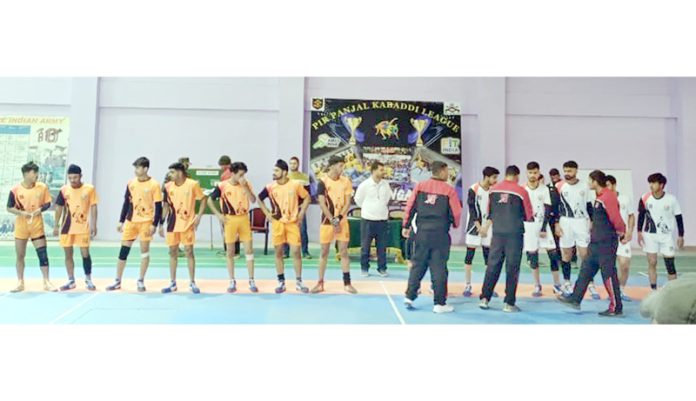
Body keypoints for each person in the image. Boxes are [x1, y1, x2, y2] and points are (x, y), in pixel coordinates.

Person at [557, 170, 626, 317]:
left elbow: (616, 218)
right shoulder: (599, 196)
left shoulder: (608, 197)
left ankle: (616, 307)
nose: (588, 183)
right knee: (585, 270)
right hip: (595, 243)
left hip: (606, 243)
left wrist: (622, 232)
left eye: (590, 180)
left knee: (608, 274)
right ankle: (575, 298)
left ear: (595, 182)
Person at [402, 161, 462, 313]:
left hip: (421, 233)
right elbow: (456, 212)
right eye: (447, 171)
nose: (448, 174)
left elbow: (410, 206)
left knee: (417, 265)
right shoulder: (449, 190)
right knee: (439, 268)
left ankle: (409, 296)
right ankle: (439, 304)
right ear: (441, 171)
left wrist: (406, 225)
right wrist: (455, 224)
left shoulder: (420, 186)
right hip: (440, 234)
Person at [479, 165, 533, 312]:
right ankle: (509, 303)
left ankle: (484, 298)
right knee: (512, 268)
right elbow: (529, 215)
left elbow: (489, 212)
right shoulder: (522, 191)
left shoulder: (493, 190)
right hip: (514, 235)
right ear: (517, 176)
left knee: (492, 266)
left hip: (497, 234)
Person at [106, 157, 163, 292]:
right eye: (135, 168)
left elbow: (158, 206)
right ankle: (117, 281)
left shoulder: (154, 184)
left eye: (138, 168)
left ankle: (141, 280)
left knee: (144, 253)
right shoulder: (131, 183)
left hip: (146, 222)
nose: (136, 170)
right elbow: (126, 203)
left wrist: (154, 224)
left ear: (145, 169)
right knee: (123, 252)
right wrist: (121, 221)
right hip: (131, 222)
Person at [257, 159, 311, 293]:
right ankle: (281, 282)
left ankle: (299, 282)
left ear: (285, 172)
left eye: (276, 170)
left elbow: (307, 197)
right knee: (278, 253)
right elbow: (259, 198)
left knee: (296, 252)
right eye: (273, 170)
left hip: (292, 223)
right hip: (277, 224)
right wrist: (267, 214)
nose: (274, 173)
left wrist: (302, 212)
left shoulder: (295, 185)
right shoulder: (270, 187)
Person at [208, 161, 258, 293]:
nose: (243, 177)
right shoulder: (223, 186)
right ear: (233, 173)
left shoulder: (246, 184)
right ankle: (232, 280)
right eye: (240, 174)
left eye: (244, 175)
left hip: (244, 219)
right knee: (230, 252)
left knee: (248, 250)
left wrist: (245, 187)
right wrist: (219, 215)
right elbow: (209, 200)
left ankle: (251, 280)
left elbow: (253, 200)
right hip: (229, 220)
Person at [6, 161, 56, 292]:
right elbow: (9, 207)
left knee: (43, 255)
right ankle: (20, 282)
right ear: (27, 174)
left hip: (36, 225)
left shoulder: (42, 187)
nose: (37, 175)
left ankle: (46, 282)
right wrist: (21, 213)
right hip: (22, 226)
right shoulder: (15, 190)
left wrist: (40, 210)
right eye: (35, 173)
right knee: (20, 255)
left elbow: (48, 203)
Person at [312, 155, 357, 294]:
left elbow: (348, 202)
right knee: (324, 252)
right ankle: (320, 283)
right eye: (340, 166)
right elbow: (322, 203)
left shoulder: (346, 181)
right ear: (331, 166)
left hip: (341, 221)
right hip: (327, 222)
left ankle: (347, 283)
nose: (342, 168)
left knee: (343, 252)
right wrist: (332, 219)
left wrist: (339, 218)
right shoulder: (323, 182)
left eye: (343, 166)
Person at [555, 160, 600, 299]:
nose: (567, 173)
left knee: (585, 254)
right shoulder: (559, 186)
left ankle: (590, 284)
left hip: (581, 222)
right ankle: (567, 282)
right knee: (566, 254)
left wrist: (592, 222)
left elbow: (590, 206)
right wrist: (556, 223)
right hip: (565, 221)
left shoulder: (585, 186)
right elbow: (555, 206)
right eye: (565, 171)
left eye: (570, 171)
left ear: (576, 171)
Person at [160, 162, 207, 294]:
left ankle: (192, 282)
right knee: (172, 253)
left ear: (180, 172)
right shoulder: (168, 186)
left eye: (172, 172)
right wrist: (160, 223)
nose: (170, 175)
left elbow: (203, 199)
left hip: (187, 225)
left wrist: (198, 217)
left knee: (189, 252)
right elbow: (165, 206)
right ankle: (173, 283)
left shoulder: (192, 184)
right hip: (172, 224)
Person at [53, 164, 99, 291]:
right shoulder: (64, 190)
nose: (73, 180)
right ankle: (71, 280)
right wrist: (56, 225)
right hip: (66, 228)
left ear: (81, 176)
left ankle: (88, 279)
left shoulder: (89, 189)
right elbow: (59, 208)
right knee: (68, 255)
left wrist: (94, 224)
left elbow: (94, 206)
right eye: (70, 178)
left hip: (83, 228)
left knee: (85, 254)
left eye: (75, 177)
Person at [637, 173, 684, 290]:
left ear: (661, 185)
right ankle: (653, 289)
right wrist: (639, 232)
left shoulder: (671, 199)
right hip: (650, 235)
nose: (651, 185)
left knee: (670, 265)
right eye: (650, 183)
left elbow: (679, 217)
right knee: (652, 262)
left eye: (653, 183)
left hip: (666, 236)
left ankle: (672, 291)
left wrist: (681, 235)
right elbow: (641, 216)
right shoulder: (644, 198)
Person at [523, 162, 562, 296]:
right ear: (527, 173)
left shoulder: (544, 189)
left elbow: (547, 209)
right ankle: (537, 285)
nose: (533, 175)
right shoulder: (523, 190)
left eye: (535, 173)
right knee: (533, 257)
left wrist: (544, 227)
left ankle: (557, 285)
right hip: (529, 227)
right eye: (530, 173)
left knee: (553, 254)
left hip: (543, 226)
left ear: (539, 173)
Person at [463, 166, 499, 297]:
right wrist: (479, 228)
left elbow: (494, 211)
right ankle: (467, 285)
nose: (496, 180)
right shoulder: (473, 189)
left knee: (488, 258)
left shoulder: (494, 191)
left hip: (487, 227)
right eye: (494, 177)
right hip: (474, 227)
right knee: (469, 256)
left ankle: (488, 287)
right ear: (487, 177)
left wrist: (486, 227)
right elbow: (472, 210)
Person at [354, 161, 391, 277]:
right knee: (365, 247)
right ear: (374, 171)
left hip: (382, 220)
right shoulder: (364, 185)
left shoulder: (386, 184)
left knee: (382, 247)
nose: (383, 171)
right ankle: (364, 268)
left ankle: (382, 268)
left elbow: (387, 198)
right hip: (368, 220)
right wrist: (368, 208)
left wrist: (380, 208)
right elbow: (358, 199)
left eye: (383, 169)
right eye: (381, 169)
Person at [606, 175, 636, 301]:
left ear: (614, 185)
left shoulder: (625, 199)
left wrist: (629, 232)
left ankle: (621, 289)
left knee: (624, 265)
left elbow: (631, 216)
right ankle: (612, 292)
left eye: (607, 185)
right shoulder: (602, 200)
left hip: (623, 237)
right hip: (608, 238)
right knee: (608, 267)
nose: (606, 188)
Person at [284, 156, 312, 259]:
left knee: (303, 230)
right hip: (287, 208)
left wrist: (303, 206)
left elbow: (308, 194)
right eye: (291, 163)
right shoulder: (285, 177)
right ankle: (285, 252)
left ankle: (305, 252)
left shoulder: (304, 177)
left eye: (294, 163)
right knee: (286, 229)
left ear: (298, 164)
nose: (292, 165)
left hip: (300, 208)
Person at [217, 155, 240, 257]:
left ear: (224, 165)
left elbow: (222, 191)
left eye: (221, 166)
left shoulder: (224, 175)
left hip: (227, 206)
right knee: (236, 231)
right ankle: (237, 252)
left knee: (227, 230)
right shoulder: (238, 173)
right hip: (238, 207)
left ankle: (229, 251)